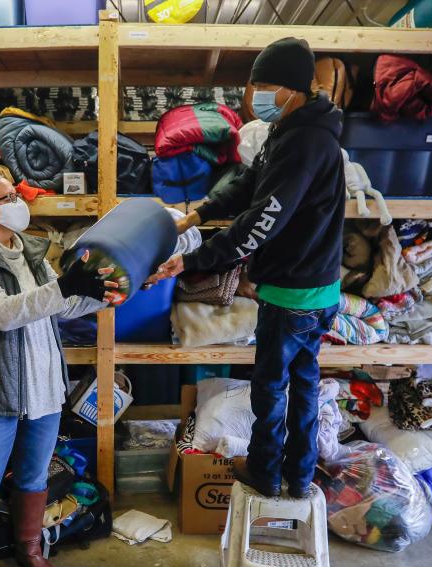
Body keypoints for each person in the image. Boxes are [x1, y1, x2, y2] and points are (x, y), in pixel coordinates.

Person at [149, 37, 345, 499]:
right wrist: (195, 215)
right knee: (304, 385)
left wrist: (192, 261)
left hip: (293, 292)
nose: (254, 93)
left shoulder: (305, 141)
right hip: (316, 288)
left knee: (272, 390)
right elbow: (248, 183)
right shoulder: (294, 130)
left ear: (292, 89)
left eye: (264, 85)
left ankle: (266, 474)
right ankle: (298, 477)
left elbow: (261, 221)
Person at [0, 171, 116, 567]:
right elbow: (1, 313)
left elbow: (61, 305)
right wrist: (65, 286)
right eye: (11, 196)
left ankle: (29, 550)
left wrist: (105, 293)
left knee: (34, 477)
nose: (21, 200)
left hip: (43, 389)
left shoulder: (32, 254)